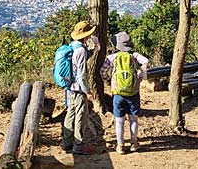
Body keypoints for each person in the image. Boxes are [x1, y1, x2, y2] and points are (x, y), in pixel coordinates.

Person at [100, 32, 149, 154]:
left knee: (119, 119)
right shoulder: (134, 55)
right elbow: (146, 61)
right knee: (133, 118)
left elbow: (102, 71)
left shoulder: (112, 57)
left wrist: (109, 79)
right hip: (133, 92)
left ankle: (120, 145)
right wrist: (142, 75)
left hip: (118, 93)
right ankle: (134, 143)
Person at [61, 20, 99, 155]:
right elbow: (81, 74)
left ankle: (66, 142)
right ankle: (79, 145)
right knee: (81, 116)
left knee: (70, 114)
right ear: (86, 36)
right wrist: (87, 90)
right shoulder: (81, 51)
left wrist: (92, 51)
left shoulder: (72, 46)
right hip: (78, 88)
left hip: (69, 87)